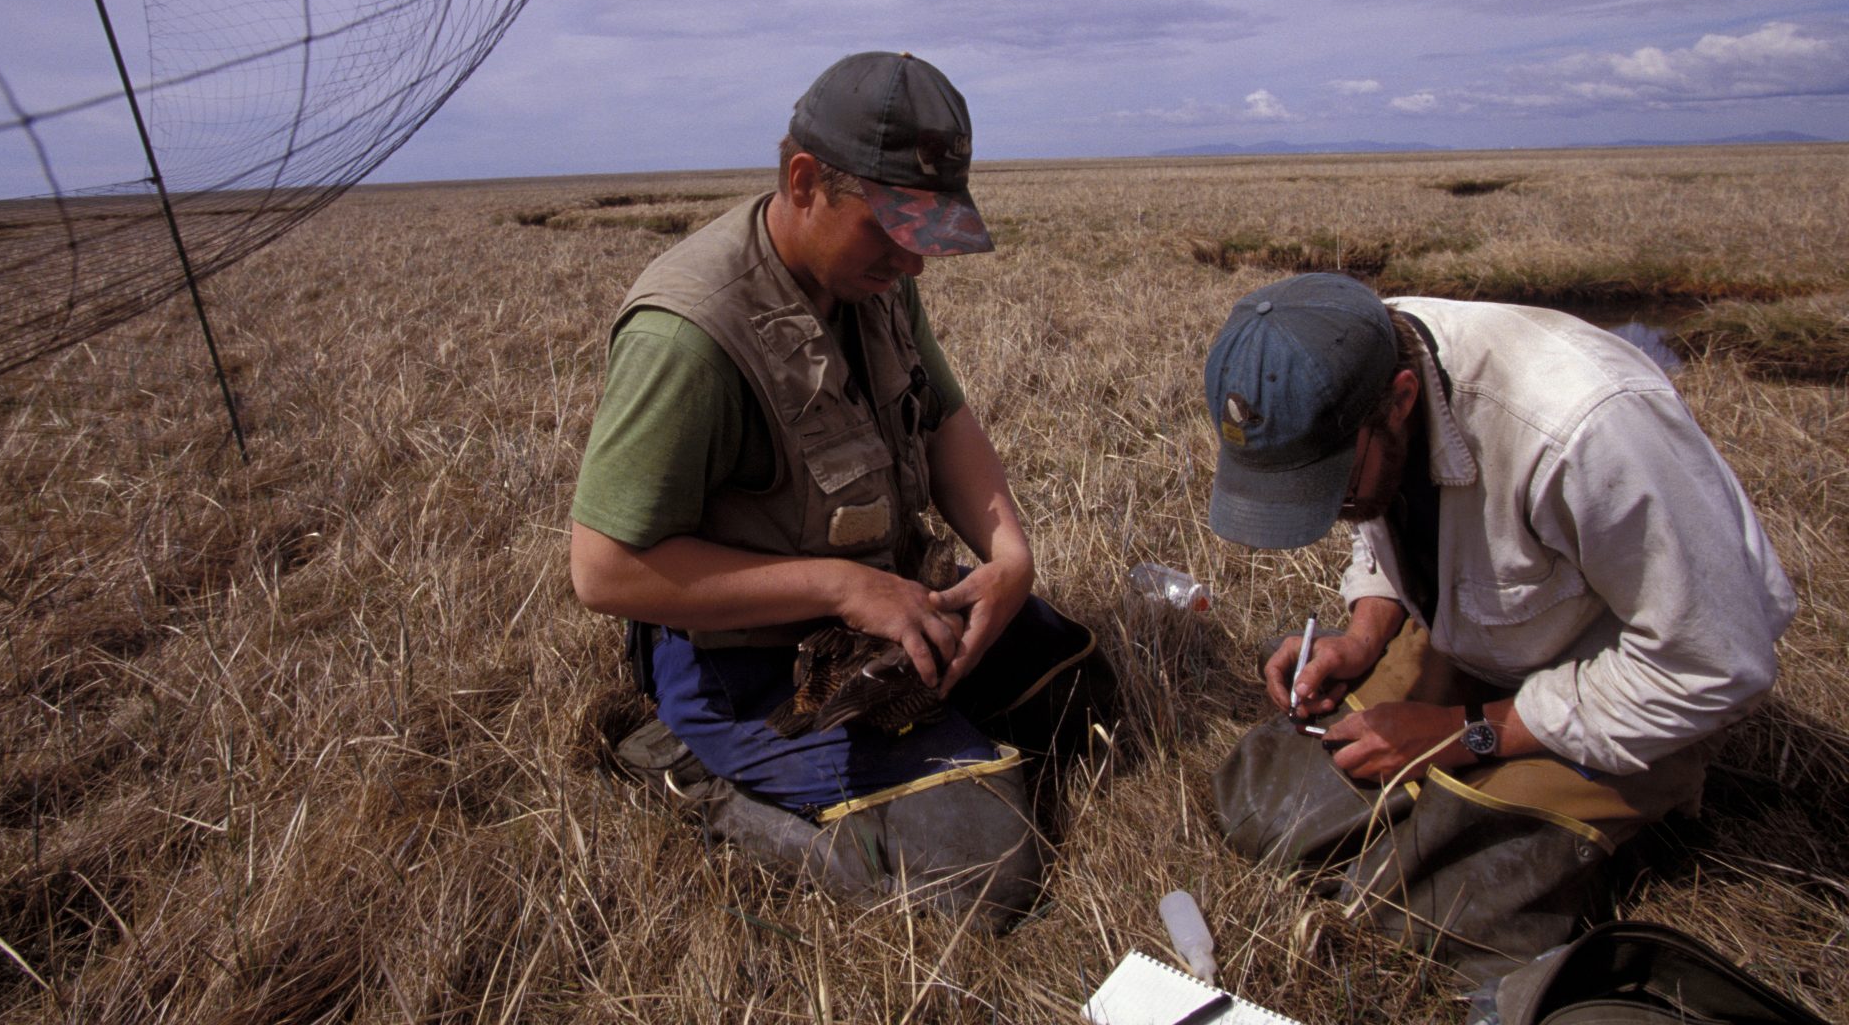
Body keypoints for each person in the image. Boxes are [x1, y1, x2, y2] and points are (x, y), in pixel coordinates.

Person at [569, 51, 1110, 928]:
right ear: (805, 182)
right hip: (748, 664)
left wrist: (1010, 556)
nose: (914, 262)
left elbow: (943, 420)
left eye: (926, 231)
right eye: (891, 228)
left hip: (882, 614)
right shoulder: (688, 335)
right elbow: (604, 572)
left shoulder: (872, 280)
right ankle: (695, 771)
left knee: (1081, 694)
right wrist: (843, 587)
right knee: (985, 874)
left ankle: (928, 747)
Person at [1200, 272, 1796, 992]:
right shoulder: (1355, 361)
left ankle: (1635, 819)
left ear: (1401, 401)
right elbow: (1382, 514)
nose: (1329, 512)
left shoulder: (1585, 429)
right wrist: (1364, 634)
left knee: (1426, 917)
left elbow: (1715, 662)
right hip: (1484, 636)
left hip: (1621, 689)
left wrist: (1465, 735)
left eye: (1332, 487)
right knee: (1259, 808)